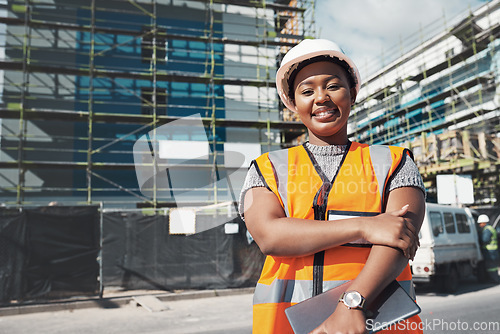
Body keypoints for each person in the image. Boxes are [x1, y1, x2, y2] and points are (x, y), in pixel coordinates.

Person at [239, 39, 426, 334]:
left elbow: (399, 237)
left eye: (333, 86)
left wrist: (352, 303)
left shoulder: (395, 162)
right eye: (307, 90)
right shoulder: (267, 167)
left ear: (352, 92)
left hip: (373, 323)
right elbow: (270, 235)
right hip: (286, 325)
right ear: (292, 103)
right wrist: (364, 227)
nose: (321, 98)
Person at [478, 214, 499, 283]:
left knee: (491, 267)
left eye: (480, 223)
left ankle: (494, 280)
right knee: (494, 267)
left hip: (490, 252)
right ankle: (495, 279)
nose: (479, 225)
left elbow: (485, 240)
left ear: (484, 222)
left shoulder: (487, 230)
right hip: (493, 251)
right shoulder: (491, 228)